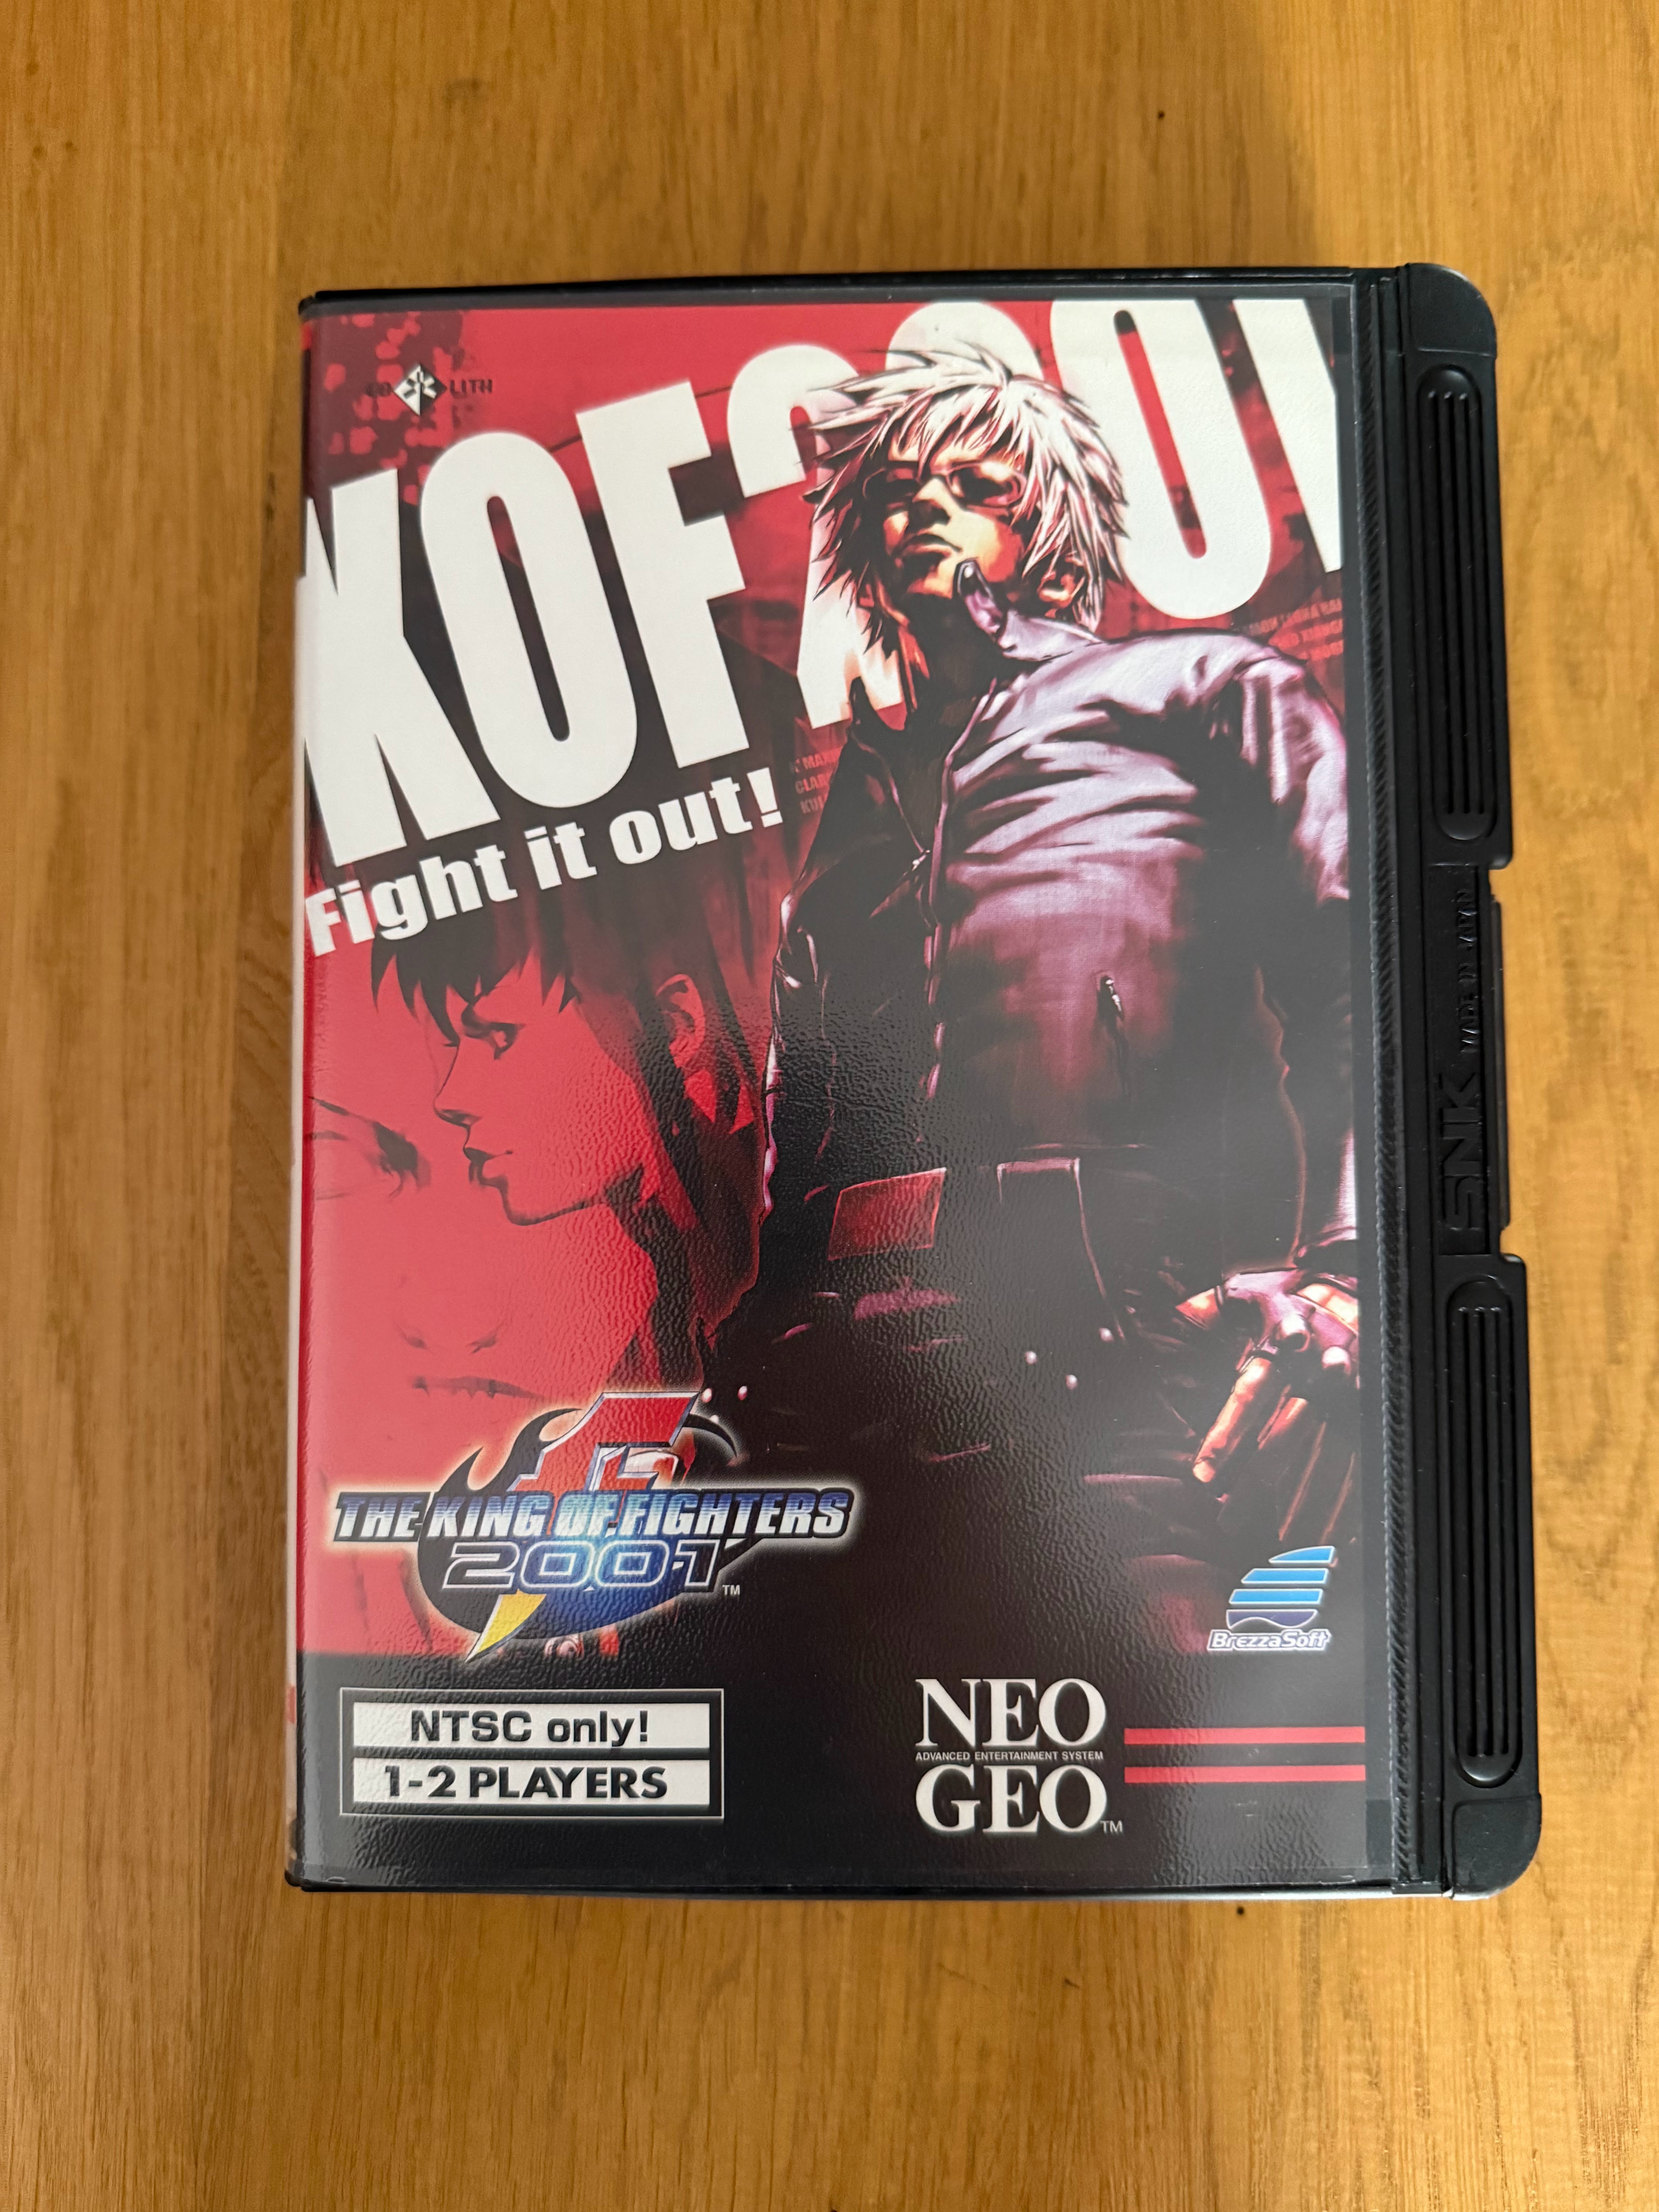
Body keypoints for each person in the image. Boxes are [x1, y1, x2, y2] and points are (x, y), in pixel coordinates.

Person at [718, 345, 1358, 1542]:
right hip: (825, 1405)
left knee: (1144, 1631)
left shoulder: (1200, 691)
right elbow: (800, 1141)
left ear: (1052, 533)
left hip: (1118, 1358)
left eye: (977, 488)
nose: (927, 506)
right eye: (897, 489)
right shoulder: (850, 833)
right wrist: (753, 1361)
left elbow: (1354, 974)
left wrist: (1351, 1264)